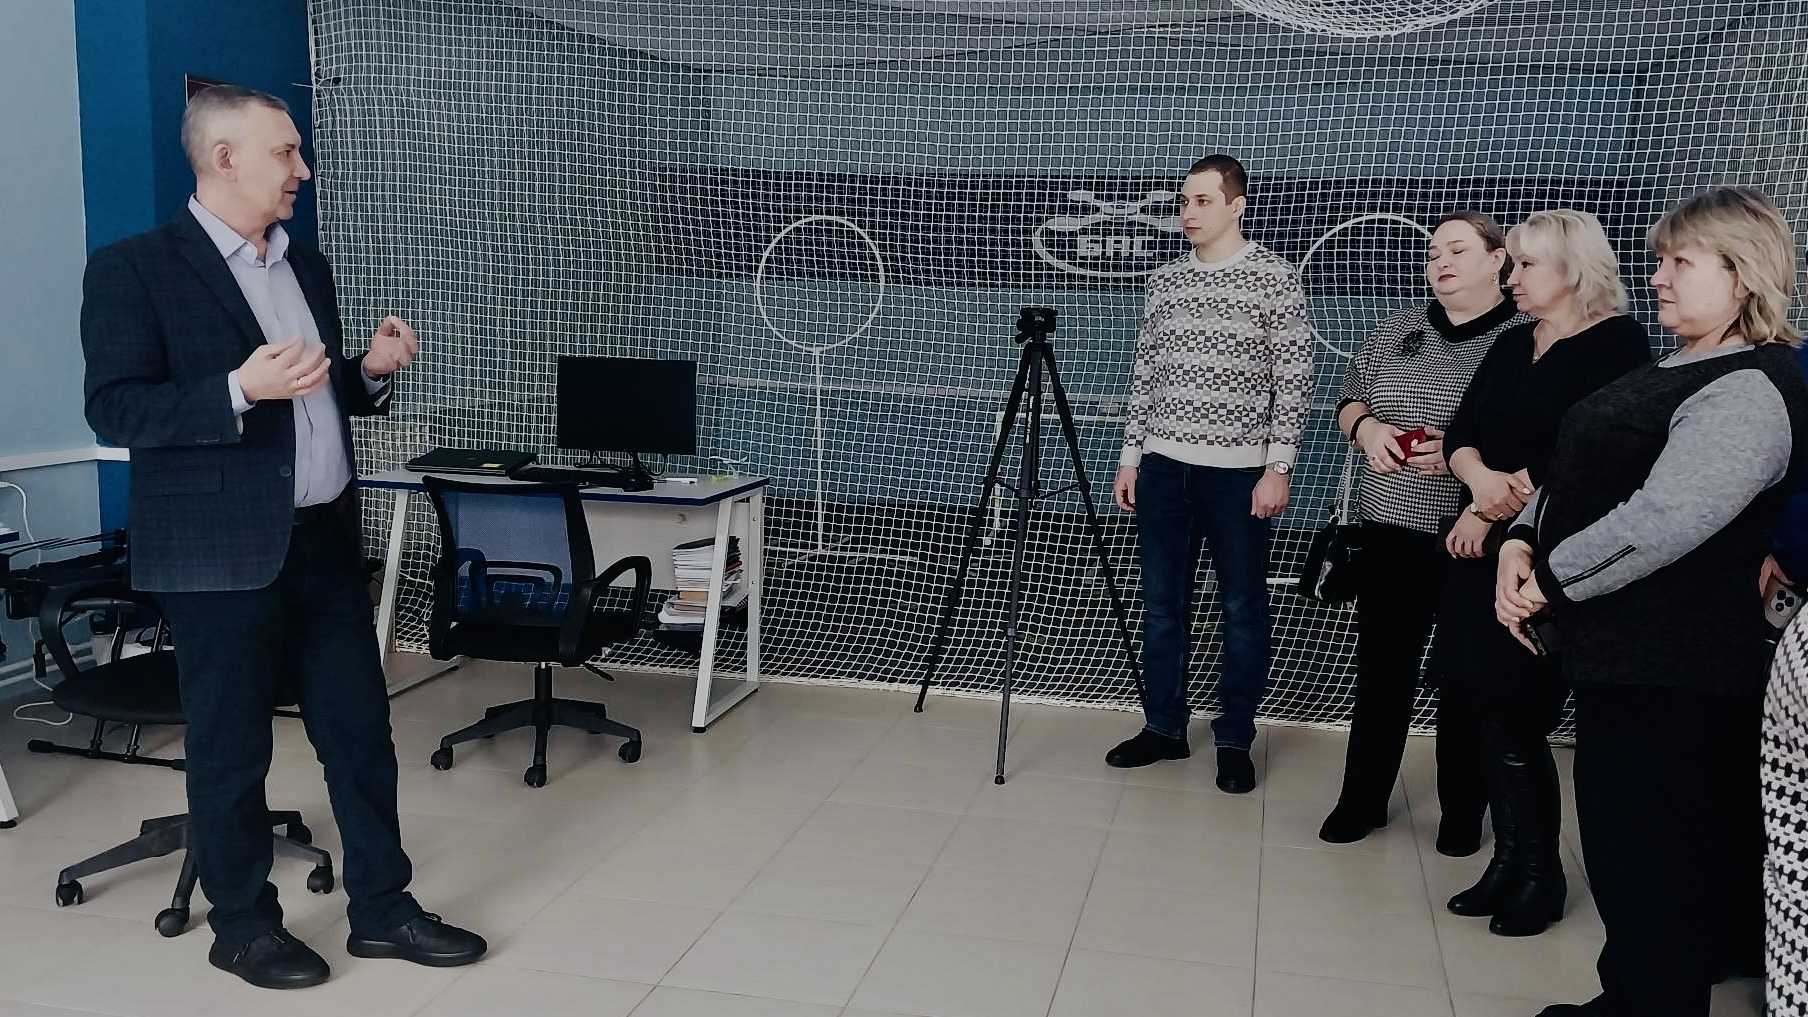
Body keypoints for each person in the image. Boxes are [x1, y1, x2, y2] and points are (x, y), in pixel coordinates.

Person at [80, 85, 486, 989]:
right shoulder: (132, 268)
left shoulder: (307, 268)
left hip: (323, 545)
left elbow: (314, 391)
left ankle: (383, 909)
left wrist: (366, 373)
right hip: (218, 556)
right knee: (232, 749)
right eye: (286, 152)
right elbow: (114, 406)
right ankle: (242, 927)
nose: (303, 168)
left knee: (362, 734)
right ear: (225, 158)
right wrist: (236, 389)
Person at [1495, 187, 1807, 1016]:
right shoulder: (1683, 363)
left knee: (1650, 855)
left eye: (1681, 262)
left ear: (1741, 275)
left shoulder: (1750, 386)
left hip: (1674, 665)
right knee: (1641, 849)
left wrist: (1546, 579)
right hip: (1628, 658)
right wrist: (1520, 537)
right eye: (1661, 260)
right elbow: (1578, 473)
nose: (1659, 277)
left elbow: (1663, 519)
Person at [1435, 209, 1650, 938]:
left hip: (1547, 553)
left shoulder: (1617, 343)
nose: (1513, 278)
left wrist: (1493, 508)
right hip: (1479, 546)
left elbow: (1592, 456)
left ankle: (1540, 876)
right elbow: (1463, 430)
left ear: (1573, 267)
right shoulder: (1512, 340)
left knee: (1517, 708)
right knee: (1485, 707)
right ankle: (1511, 860)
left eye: (1527, 265)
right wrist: (1476, 481)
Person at [1105, 153, 1314, 794]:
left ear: (1236, 205)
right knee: (1161, 606)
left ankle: (1234, 738)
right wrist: (1132, 458)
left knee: (1242, 608)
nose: (1188, 212)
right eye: (1183, 201)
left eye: (1202, 200)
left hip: (1238, 476)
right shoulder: (1165, 280)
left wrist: (1278, 467)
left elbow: (1294, 378)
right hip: (1164, 469)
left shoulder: (1274, 277)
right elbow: (1145, 372)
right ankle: (1164, 727)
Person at [1319, 211, 1525, 848]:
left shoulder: (1525, 338)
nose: (1440, 262)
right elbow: (1350, 397)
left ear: (1498, 260)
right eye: (1434, 252)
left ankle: (1462, 812)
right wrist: (1367, 430)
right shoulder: (1396, 329)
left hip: (1477, 534)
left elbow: (1537, 436)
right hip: (1390, 526)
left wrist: (1465, 460)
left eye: (1457, 250)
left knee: (1465, 675)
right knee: (1383, 665)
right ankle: (1362, 800)